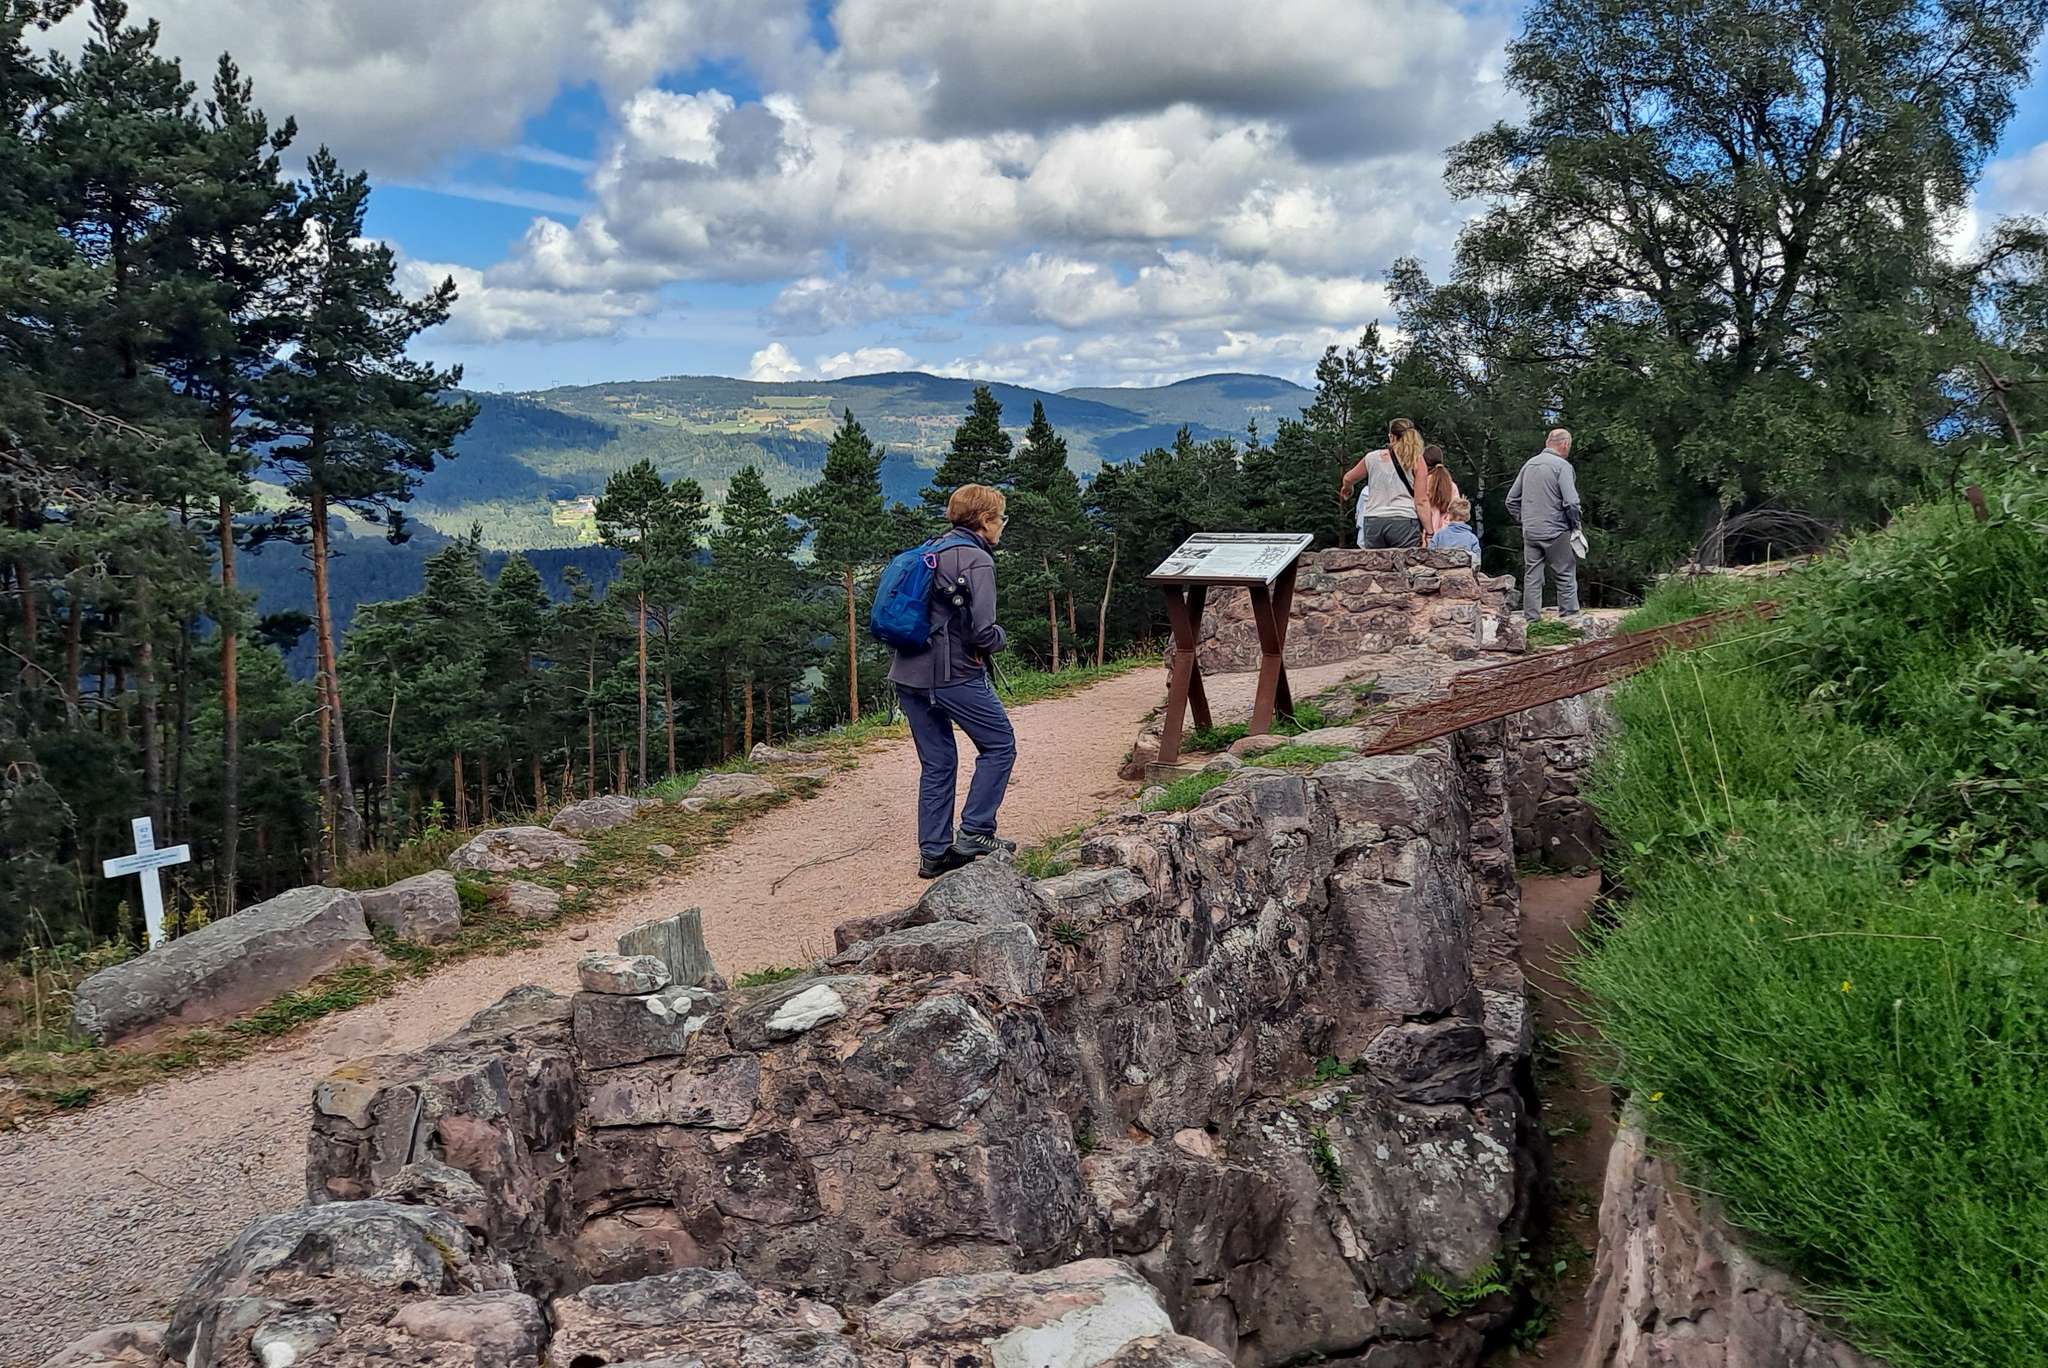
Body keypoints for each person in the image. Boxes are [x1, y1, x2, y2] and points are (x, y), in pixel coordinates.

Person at [887, 483, 1018, 879]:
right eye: (1000, 518)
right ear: (985, 520)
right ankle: (976, 830)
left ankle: (934, 853)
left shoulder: (932, 548)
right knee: (999, 744)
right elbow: (983, 631)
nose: (1002, 525)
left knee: (938, 762)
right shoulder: (976, 560)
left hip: (907, 673)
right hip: (953, 676)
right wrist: (1001, 638)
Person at [1506, 428, 1583, 617]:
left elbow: (1511, 500)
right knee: (1565, 573)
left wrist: (1525, 519)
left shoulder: (1529, 465)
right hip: (1557, 530)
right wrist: (1575, 525)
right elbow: (1571, 502)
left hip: (1531, 531)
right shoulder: (1562, 466)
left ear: (1547, 442)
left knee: (1532, 576)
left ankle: (1531, 620)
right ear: (1565, 444)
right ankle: (1569, 618)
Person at [1338, 418, 1427, 548]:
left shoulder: (1372, 458)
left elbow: (1348, 478)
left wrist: (1348, 488)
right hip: (1403, 520)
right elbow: (1421, 501)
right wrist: (1430, 531)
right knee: (1405, 560)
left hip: (1374, 520)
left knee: (1375, 561)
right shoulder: (1416, 460)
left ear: (1391, 437)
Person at [1417, 445, 1461, 546]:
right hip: (1448, 537)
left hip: (1427, 536)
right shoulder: (1451, 486)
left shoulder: (1422, 484)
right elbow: (1457, 512)